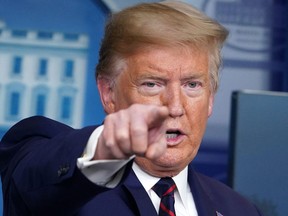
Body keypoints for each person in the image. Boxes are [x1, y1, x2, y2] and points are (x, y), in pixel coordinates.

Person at [0, 1, 262, 216]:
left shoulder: (240, 209)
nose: (175, 107)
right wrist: (107, 148)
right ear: (108, 93)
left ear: (211, 98)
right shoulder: (63, 183)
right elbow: (35, 177)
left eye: (192, 85)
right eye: (152, 84)